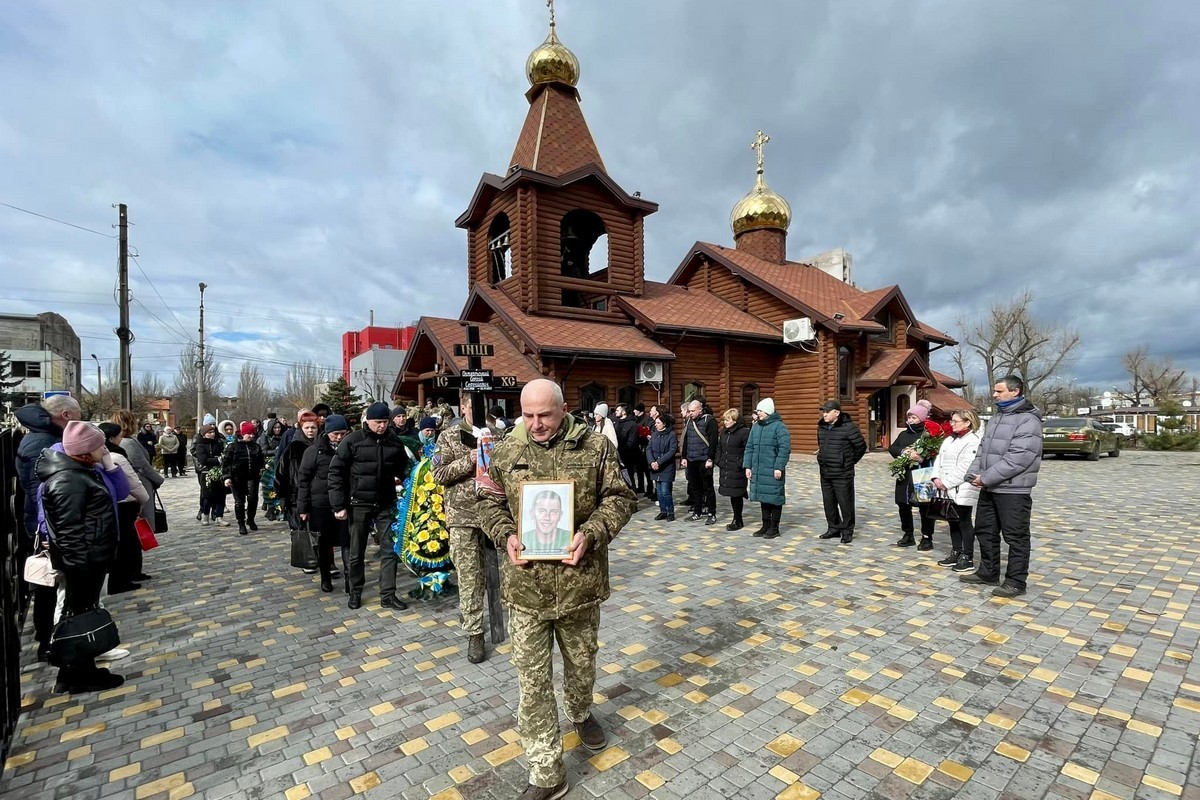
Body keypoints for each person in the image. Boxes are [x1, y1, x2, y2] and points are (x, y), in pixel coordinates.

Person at [477, 379, 636, 799]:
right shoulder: (508, 450)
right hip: (526, 589)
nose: (535, 424)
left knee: (581, 667)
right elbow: (487, 501)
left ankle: (581, 711)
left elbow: (620, 498)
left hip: (578, 586)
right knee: (532, 683)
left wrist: (592, 532)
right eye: (528, 415)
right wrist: (504, 533)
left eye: (544, 415)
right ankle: (546, 773)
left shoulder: (595, 446)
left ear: (564, 409)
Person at [37, 421, 129, 693]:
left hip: (90, 557)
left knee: (80, 614)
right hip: (82, 561)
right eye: (99, 445)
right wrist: (81, 568)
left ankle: (76, 671)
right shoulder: (68, 480)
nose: (105, 447)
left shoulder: (81, 471)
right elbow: (69, 530)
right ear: (85, 451)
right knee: (76, 615)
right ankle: (77, 674)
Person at [960, 376, 1043, 597]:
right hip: (989, 487)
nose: (994, 395)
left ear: (1015, 392)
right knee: (985, 531)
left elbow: (1019, 458)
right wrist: (973, 474)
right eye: (995, 391)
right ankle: (988, 572)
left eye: (999, 391)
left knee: (1015, 536)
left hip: (1013, 490)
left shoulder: (1028, 420)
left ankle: (1016, 582)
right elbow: (982, 450)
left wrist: (985, 478)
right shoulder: (997, 418)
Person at [15, 395, 83, 662]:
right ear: (66, 415)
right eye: (78, 415)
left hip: (49, 524)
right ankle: (50, 640)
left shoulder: (41, 436)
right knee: (50, 584)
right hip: (50, 527)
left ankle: (51, 635)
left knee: (52, 585)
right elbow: (42, 493)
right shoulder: (44, 444)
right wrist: (47, 531)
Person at [328, 402, 411, 610]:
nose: (382, 426)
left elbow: (405, 470)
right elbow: (336, 473)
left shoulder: (393, 442)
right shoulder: (352, 441)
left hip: (385, 503)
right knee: (356, 552)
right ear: (368, 421)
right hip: (358, 504)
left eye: (385, 422)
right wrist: (338, 505)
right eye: (378, 422)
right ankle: (355, 592)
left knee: (389, 550)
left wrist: (417, 483)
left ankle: (388, 595)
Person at [432, 397, 494, 663]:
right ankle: (475, 632)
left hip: (493, 514)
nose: (477, 412)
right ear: (464, 408)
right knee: (469, 574)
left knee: (497, 573)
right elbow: (438, 474)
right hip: (462, 517)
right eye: (472, 407)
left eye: (482, 408)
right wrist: (468, 460)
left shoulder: (496, 435)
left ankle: (489, 616)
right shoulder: (448, 437)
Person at [297, 414, 351, 593]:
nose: (339, 437)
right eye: (335, 434)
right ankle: (325, 577)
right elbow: (303, 481)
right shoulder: (313, 452)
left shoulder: (349, 448)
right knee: (324, 542)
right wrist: (303, 508)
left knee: (347, 541)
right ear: (327, 433)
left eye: (342, 433)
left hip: (344, 502)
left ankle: (350, 579)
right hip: (320, 504)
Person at [98, 422, 151, 593]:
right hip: (125, 503)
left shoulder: (100, 456)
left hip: (111, 504)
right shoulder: (117, 457)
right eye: (120, 436)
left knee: (126, 542)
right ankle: (122, 579)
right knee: (127, 543)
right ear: (112, 438)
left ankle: (130, 574)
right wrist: (143, 500)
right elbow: (133, 482)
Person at [932, 409, 983, 573]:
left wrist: (946, 482)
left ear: (967, 422)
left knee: (964, 521)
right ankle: (956, 550)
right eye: (951, 421)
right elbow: (939, 459)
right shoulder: (949, 439)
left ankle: (967, 556)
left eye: (955, 421)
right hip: (945, 487)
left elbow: (966, 467)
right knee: (952, 520)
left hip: (962, 486)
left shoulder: (973, 441)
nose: (951, 423)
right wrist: (936, 478)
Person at [815, 400, 867, 545]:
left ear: (836, 413)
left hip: (843, 473)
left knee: (845, 503)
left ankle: (847, 531)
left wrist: (848, 462)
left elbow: (861, 446)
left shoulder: (848, 427)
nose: (824, 414)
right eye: (823, 412)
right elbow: (821, 445)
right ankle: (833, 528)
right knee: (829, 503)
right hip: (825, 471)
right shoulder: (822, 427)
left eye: (827, 412)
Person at [111, 410, 165, 540]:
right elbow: (142, 465)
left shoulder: (127, 440)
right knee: (143, 520)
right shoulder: (127, 443)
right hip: (139, 481)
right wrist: (158, 479)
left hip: (139, 481)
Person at [889, 405, 937, 549]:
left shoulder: (928, 435)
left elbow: (936, 453)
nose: (910, 420)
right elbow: (893, 448)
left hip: (923, 474)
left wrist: (923, 458)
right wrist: (904, 451)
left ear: (921, 419)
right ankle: (908, 534)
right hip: (904, 475)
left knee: (925, 507)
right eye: (909, 417)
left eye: (914, 417)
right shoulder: (904, 434)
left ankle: (927, 537)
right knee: (903, 504)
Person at [743, 398, 791, 539]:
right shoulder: (756, 427)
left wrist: (779, 467)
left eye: (760, 411)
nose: (757, 413)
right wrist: (748, 466)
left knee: (775, 497)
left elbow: (784, 449)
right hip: (759, 469)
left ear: (768, 411)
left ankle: (774, 527)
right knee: (764, 497)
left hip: (772, 469)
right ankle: (765, 525)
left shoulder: (779, 427)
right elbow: (749, 447)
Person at [222, 421, 266, 535]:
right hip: (237, 477)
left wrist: (262, 469)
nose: (251, 436)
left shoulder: (256, 446)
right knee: (239, 502)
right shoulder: (233, 446)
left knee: (253, 499)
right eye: (249, 434)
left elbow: (261, 461)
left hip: (252, 476)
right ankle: (241, 523)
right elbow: (226, 463)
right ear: (243, 433)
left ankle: (250, 519)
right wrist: (227, 477)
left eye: (253, 434)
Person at [681, 400, 718, 523]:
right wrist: (684, 457)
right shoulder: (689, 422)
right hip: (692, 459)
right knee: (694, 487)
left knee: (708, 487)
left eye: (693, 411)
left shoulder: (710, 421)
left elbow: (713, 441)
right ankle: (697, 511)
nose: (690, 413)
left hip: (704, 460)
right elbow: (686, 439)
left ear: (700, 410)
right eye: (689, 411)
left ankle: (711, 513)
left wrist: (710, 458)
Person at [715, 409, 750, 531]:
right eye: (724, 419)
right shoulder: (724, 432)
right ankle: (736, 517)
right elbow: (719, 447)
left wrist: (739, 463)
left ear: (734, 420)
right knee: (732, 495)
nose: (725, 422)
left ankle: (738, 519)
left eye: (727, 419)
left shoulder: (744, 432)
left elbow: (748, 450)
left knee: (737, 494)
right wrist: (718, 460)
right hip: (725, 467)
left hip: (737, 469)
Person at [191, 424, 228, 526]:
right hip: (206, 473)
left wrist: (222, 459)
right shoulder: (200, 445)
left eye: (213, 432)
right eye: (209, 433)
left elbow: (224, 454)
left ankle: (219, 516)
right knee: (208, 496)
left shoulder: (218, 443)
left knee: (221, 495)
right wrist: (217, 460)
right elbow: (203, 460)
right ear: (204, 434)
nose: (212, 434)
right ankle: (205, 514)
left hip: (219, 472)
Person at [646, 413, 677, 521]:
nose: (656, 425)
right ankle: (663, 511)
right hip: (655, 467)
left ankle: (670, 512)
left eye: (658, 423)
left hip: (666, 467)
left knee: (665, 491)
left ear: (664, 424)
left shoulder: (671, 435)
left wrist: (659, 462)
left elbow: (672, 451)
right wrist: (651, 462)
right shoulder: (654, 434)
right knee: (658, 491)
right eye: (656, 422)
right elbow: (649, 449)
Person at [522, 489, 572, 555]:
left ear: (560, 515)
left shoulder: (570, 538)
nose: (547, 517)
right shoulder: (523, 540)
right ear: (532, 514)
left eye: (553, 512)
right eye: (541, 511)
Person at [613, 404, 643, 497]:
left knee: (629, 478)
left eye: (618, 410)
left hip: (628, 456)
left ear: (624, 412)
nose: (616, 412)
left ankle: (633, 497)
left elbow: (632, 442)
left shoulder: (632, 424)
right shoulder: (616, 422)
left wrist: (621, 449)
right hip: (617, 454)